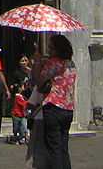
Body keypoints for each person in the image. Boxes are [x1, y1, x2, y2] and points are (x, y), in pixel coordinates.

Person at [29, 34, 76, 169]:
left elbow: (39, 82)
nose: (49, 51)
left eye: (52, 49)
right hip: (68, 109)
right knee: (63, 148)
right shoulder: (71, 64)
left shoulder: (53, 64)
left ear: (59, 49)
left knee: (53, 148)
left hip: (53, 108)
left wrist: (38, 63)